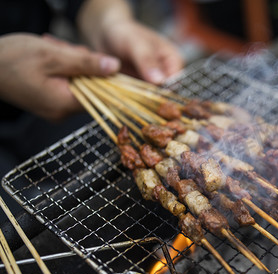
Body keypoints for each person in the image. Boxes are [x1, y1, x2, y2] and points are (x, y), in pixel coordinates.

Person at [0, 0, 184, 217]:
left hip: (43, 75)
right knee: (19, 224)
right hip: (20, 75)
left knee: (131, 190)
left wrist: (111, 22)